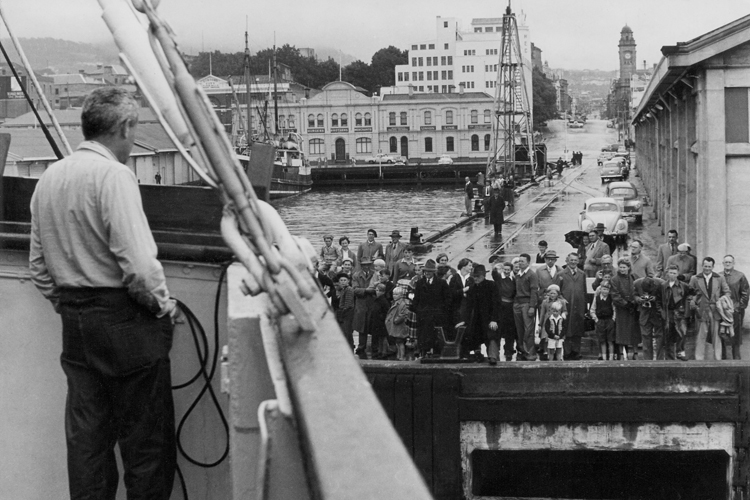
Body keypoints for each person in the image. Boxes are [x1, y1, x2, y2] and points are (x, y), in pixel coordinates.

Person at [29, 87, 178, 499]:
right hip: (125, 325)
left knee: (88, 447)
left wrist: (71, 305)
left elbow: (38, 269)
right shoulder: (114, 176)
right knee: (146, 447)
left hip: (76, 328)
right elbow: (141, 268)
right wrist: (164, 307)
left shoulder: (49, 178)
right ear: (125, 128)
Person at [689, 257, 731, 361]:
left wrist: (723, 300)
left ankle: (718, 359)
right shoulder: (695, 278)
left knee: (716, 336)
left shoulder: (719, 278)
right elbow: (689, 293)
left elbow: (727, 291)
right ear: (702, 266)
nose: (707, 268)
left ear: (713, 266)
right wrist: (693, 301)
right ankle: (699, 359)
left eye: (709, 266)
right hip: (701, 310)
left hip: (716, 310)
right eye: (705, 266)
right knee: (700, 336)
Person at [412, 259, 451, 358]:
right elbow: (416, 299)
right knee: (423, 335)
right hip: (423, 315)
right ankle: (423, 353)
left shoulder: (441, 283)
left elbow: (448, 299)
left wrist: (441, 311)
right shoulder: (420, 283)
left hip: (437, 316)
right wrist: (418, 310)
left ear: (434, 272)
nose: (427, 273)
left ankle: (436, 354)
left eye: (429, 271)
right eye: (425, 271)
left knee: (436, 336)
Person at [463, 264, 499, 364]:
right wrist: (465, 321)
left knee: (491, 336)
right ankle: (477, 354)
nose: (475, 278)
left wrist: (494, 319)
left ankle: (493, 356)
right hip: (477, 318)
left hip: (489, 318)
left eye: (477, 276)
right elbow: (469, 307)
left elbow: (496, 304)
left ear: (483, 276)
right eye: (474, 276)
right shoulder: (472, 288)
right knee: (474, 335)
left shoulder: (491, 285)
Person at [610, 258, 640, 360]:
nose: (622, 269)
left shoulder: (634, 277)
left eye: (624, 267)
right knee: (621, 332)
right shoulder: (615, 279)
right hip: (622, 309)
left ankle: (635, 352)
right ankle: (622, 354)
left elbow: (639, 289)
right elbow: (615, 295)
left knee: (634, 331)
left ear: (628, 268)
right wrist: (625, 303)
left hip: (633, 308)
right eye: (620, 267)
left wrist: (634, 302)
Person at [559, 253, 587, 360]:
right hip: (567, 306)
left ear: (578, 261)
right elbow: (558, 291)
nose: (573, 262)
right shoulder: (561, 274)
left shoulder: (582, 274)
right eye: (571, 260)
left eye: (575, 260)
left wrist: (585, 306)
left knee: (578, 328)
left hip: (579, 306)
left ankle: (576, 351)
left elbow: (584, 290)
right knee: (566, 328)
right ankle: (567, 351)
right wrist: (562, 300)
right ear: (567, 261)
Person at [722, 255, 749, 360]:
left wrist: (739, 307)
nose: (728, 264)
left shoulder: (740, 276)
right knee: (723, 334)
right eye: (726, 262)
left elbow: (745, 293)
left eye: (729, 262)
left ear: (733, 263)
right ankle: (723, 359)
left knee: (736, 336)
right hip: (723, 311)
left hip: (736, 310)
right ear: (723, 263)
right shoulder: (719, 276)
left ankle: (737, 360)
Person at [660, 265, 690, 361]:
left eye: (674, 273)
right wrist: (661, 311)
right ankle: (669, 358)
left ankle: (680, 353)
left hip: (679, 313)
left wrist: (690, 301)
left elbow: (695, 292)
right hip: (667, 313)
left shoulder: (683, 285)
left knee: (681, 333)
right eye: (670, 273)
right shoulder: (663, 286)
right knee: (668, 336)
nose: (672, 275)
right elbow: (657, 300)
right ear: (667, 273)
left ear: (678, 274)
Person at [513, 253, 539, 361]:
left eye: (522, 261)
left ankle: (530, 352)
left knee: (528, 329)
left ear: (528, 262)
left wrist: (532, 306)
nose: (520, 263)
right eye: (519, 261)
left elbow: (534, 291)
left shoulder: (531, 275)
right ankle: (522, 350)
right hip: (517, 304)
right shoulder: (517, 275)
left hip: (527, 303)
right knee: (519, 329)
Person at [634, 276, 665, 360]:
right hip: (644, 313)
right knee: (645, 337)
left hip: (657, 313)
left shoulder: (661, 283)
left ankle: (660, 360)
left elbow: (666, 298)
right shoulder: (636, 283)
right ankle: (647, 361)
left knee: (660, 338)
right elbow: (634, 295)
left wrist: (656, 298)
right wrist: (639, 299)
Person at [492, 260, 517, 361]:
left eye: (508, 270)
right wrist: (495, 266)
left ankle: (508, 351)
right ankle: (496, 351)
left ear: (511, 270)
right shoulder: (499, 278)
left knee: (509, 331)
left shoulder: (513, 280)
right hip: (500, 307)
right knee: (499, 329)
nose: (506, 271)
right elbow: (494, 273)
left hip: (510, 308)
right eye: (505, 269)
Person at [352, 258, 377, 358]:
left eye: (368, 265)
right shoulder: (356, 275)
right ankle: (361, 347)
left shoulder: (375, 274)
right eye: (364, 265)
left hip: (373, 304)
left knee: (374, 327)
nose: (366, 266)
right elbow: (355, 290)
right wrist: (367, 291)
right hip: (361, 304)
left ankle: (375, 348)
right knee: (362, 328)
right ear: (361, 266)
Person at [591, 282, 616, 360]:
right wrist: (596, 319)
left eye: (607, 289)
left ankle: (611, 358)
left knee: (610, 340)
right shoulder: (597, 298)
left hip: (609, 321)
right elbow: (592, 310)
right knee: (602, 340)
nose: (605, 291)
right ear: (600, 289)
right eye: (604, 289)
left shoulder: (611, 299)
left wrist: (613, 319)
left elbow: (614, 310)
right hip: (600, 321)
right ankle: (604, 358)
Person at [386, 287, 411, 361]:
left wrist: (396, 320)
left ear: (400, 295)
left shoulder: (402, 304)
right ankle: (399, 355)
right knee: (398, 342)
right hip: (396, 326)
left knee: (400, 342)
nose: (394, 296)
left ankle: (401, 356)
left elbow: (403, 314)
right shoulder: (395, 302)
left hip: (399, 326)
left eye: (396, 294)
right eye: (393, 294)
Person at [333, 272, 355, 351]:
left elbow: (348, 304)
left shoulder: (349, 289)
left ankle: (350, 349)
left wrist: (342, 313)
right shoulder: (343, 289)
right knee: (345, 332)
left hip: (347, 313)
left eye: (344, 280)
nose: (343, 282)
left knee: (347, 332)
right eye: (341, 280)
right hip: (344, 312)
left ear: (348, 281)